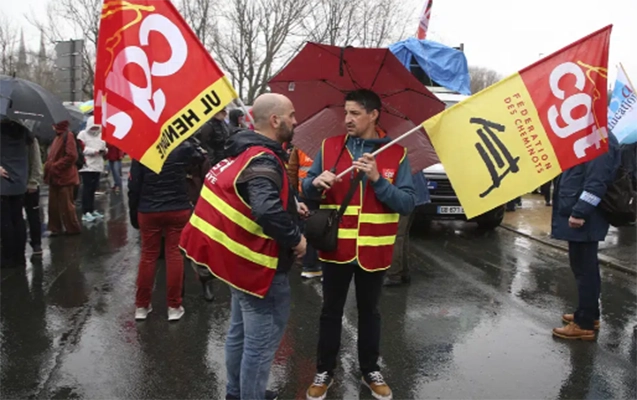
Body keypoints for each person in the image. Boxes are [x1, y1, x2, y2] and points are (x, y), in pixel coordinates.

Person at [180, 93, 307, 400]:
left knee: (239, 334)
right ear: (275, 121)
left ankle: (236, 393)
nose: (295, 120)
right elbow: (264, 209)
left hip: (239, 267)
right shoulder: (264, 157)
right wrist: (296, 238)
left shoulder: (243, 150)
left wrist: (291, 204)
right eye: (291, 115)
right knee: (260, 347)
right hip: (261, 270)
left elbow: (252, 197)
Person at [302, 89, 416, 400]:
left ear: (373, 114)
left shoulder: (397, 153)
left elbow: (406, 203)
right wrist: (314, 183)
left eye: (354, 113)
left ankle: (370, 370)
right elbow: (306, 188)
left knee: (370, 313)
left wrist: (379, 181)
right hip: (335, 248)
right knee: (330, 312)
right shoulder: (330, 147)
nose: (347, 119)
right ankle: (325, 370)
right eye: (346, 112)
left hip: (375, 252)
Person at [551, 133, 620, 340]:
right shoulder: (592, 136)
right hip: (582, 215)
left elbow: (597, 182)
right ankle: (589, 313)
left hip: (586, 218)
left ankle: (584, 323)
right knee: (584, 268)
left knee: (585, 271)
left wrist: (580, 211)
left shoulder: (601, 139)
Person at [128, 141, 197, 322]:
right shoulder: (183, 148)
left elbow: (134, 186)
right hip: (178, 208)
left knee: (148, 255)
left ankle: (142, 306)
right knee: (174, 255)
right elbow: (198, 160)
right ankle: (174, 307)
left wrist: (134, 213)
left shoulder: (141, 149)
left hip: (149, 209)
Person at [384, 172, 430, 287]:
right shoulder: (412, 158)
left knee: (396, 235)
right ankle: (403, 272)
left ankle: (394, 274)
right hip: (416, 196)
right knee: (403, 235)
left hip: (405, 198)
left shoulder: (403, 158)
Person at [288, 145, 322, 279]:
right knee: (325, 230)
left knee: (310, 229)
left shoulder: (302, 144)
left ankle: (310, 266)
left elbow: (292, 170)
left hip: (305, 194)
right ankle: (314, 265)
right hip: (322, 195)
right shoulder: (333, 146)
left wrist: (296, 193)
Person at [0, 118, 30, 267]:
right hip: (19, 181)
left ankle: (8, 256)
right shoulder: (23, 130)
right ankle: (20, 256)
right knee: (18, 218)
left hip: (3, 181)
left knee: (5, 220)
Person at [43, 121, 81, 236]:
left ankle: (72, 228)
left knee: (66, 205)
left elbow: (72, 156)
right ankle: (56, 227)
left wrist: (55, 166)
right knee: (53, 205)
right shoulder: (58, 137)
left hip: (64, 177)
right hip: (55, 177)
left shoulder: (67, 135)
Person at [77, 117, 107, 223]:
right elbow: (81, 149)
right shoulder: (82, 135)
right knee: (87, 190)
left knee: (93, 189)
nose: (94, 129)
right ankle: (85, 212)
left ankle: (91, 209)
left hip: (97, 166)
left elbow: (104, 146)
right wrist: (95, 151)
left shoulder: (101, 135)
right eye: (92, 127)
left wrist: (104, 151)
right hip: (87, 167)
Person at [25, 135, 44, 256]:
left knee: (33, 215)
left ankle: (36, 243)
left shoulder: (29, 138)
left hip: (28, 183)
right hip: (11, 184)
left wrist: (33, 182)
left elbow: (36, 161)